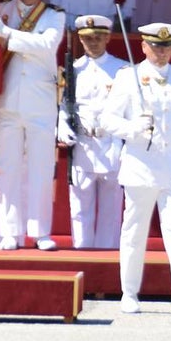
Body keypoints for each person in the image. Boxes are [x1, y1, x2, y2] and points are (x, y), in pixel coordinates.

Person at [99, 23, 171, 317]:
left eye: (167, 46)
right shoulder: (128, 77)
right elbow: (107, 120)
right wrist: (132, 128)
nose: (162, 53)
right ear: (144, 47)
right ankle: (129, 292)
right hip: (140, 166)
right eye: (156, 47)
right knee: (134, 232)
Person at [0, 0, 66, 250]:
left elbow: (46, 45)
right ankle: (10, 231)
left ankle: (40, 231)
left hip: (40, 102)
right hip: (7, 99)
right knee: (8, 168)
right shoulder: (3, 9)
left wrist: (6, 34)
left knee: (41, 168)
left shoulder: (54, 16)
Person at [58, 14, 125, 248]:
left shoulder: (122, 69)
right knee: (80, 207)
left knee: (111, 209)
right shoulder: (73, 70)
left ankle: (106, 261)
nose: (93, 43)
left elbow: (130, 109)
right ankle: (82, 255)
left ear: (107, 38)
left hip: (111, 144)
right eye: (87, 39)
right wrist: (62, 126)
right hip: (84, 145)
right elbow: (64, 105)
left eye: (98, 38)